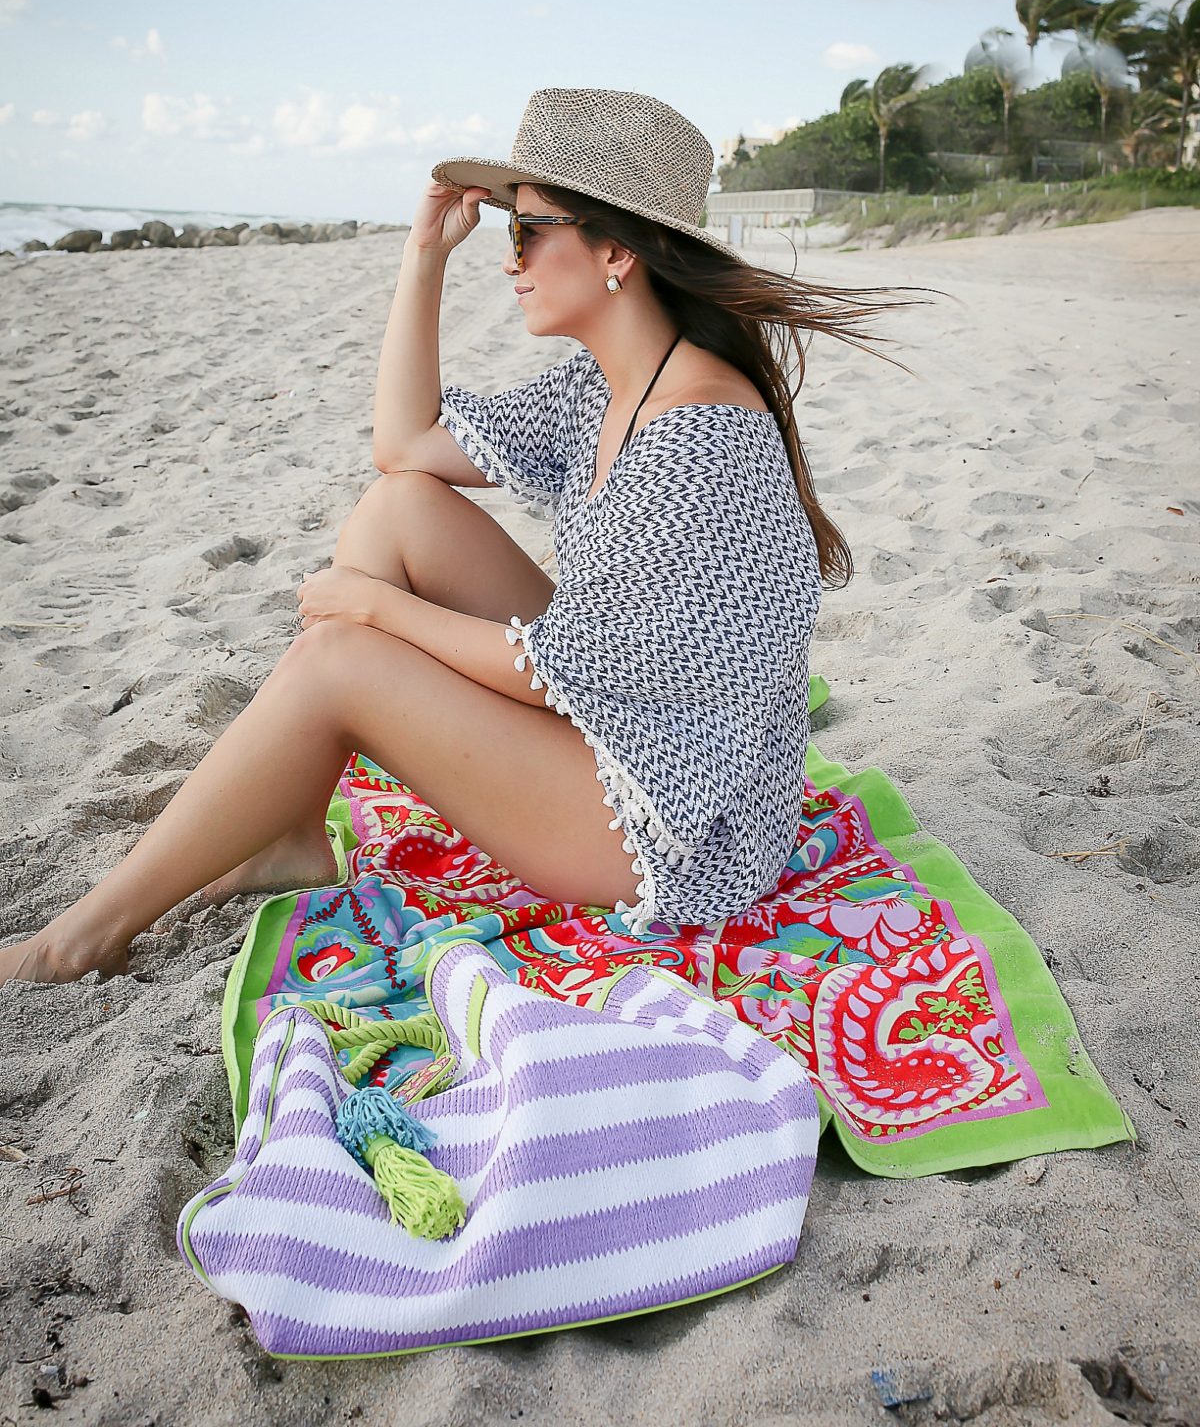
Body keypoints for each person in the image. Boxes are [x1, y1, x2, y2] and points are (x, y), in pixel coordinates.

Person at [0, 86, 939, 984]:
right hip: (640, 725)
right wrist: (423, 256)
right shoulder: (607, 384)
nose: (511, 258)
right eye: (508, 230)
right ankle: (288, 831)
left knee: (338, 661)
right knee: (400, 506)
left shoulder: (695, 435)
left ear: (617, 254)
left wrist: (373, 611)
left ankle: (80, 939)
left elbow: (563, 663)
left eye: (530, 231)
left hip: (686, 831)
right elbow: (402, 445)